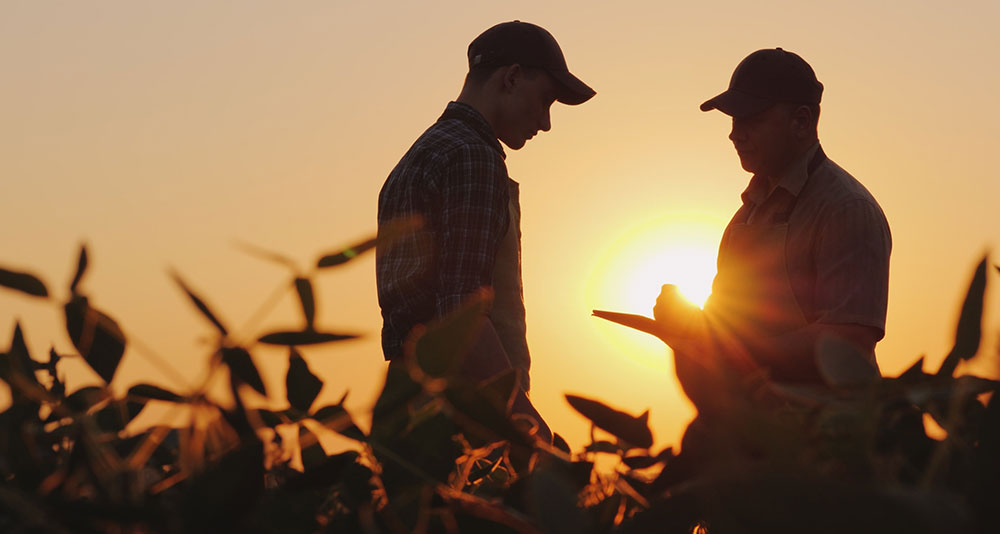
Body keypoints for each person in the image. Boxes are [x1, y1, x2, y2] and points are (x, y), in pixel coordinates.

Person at [376, 21, 595, 443]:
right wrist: (526, 427)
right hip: (462, 418)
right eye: (545, 100)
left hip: (407, 407)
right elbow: (462, 313)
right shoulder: (473, 156)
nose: (546, 123)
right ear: (511, 78)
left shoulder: (419, 156)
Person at [653, 48, 891, 406]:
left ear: (801, 121)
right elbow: (726, 328)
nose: (735, 135)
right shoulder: (744, 218)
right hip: (759, 429)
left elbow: (848, 343)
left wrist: (729, 350)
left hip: (837, 437)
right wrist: (688, 324)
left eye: (751, 119)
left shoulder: (846, 209)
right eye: (733, 121)